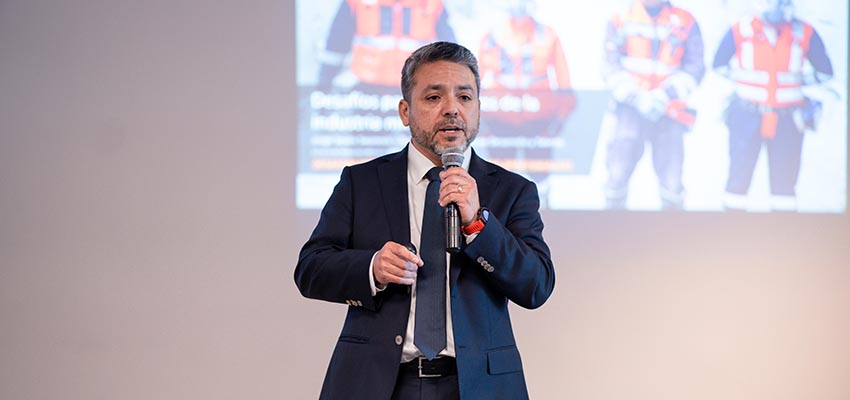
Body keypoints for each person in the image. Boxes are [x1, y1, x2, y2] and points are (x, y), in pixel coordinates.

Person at [295, 41, 555, 400]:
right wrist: (372, 267)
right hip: (378, 383)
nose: (452, 109)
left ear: (478, 108)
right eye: (434, 97)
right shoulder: (362, 182)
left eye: (464, 97)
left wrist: (479, 224)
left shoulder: (512, 190)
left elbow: (536, 285)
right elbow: (310, 269)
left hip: (478, 386)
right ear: (405, 111)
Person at [712, 0, 834, 211]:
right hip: (746, 116)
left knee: (784, 187)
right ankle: (731, 226)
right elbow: (718, 65)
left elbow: (825, 73)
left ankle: (783, 229)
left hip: (788, 120)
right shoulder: (741, 29)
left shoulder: (803, 32)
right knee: (737, 182)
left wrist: (796, 82)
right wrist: (747, 82)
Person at [602, 0, 705, 209]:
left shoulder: (685, 21)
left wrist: (664, 96)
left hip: (670, 111)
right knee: (617, 175)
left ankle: (673, 228)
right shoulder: (620, 19)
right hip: (629, 111)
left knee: (672, 182)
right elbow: (609, 66)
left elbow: (695, 68)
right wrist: (636, 98)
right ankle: (611, 225)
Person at [477, 0, 576, 202]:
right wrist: (481, 122)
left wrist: (559, 120)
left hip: (539, 121)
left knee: (541, 179)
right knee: (499, 182)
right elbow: (474, 84)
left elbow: (565, 85)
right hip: (501, 121)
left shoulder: (548, 35)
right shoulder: (492, 36)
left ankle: (547, 213)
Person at [317, 0, 456, 89]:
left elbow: (450, 51)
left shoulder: (432, 3)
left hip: (414, 89)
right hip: (366, 91)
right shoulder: (356, 2)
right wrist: (323, 87)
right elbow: (336, 44)